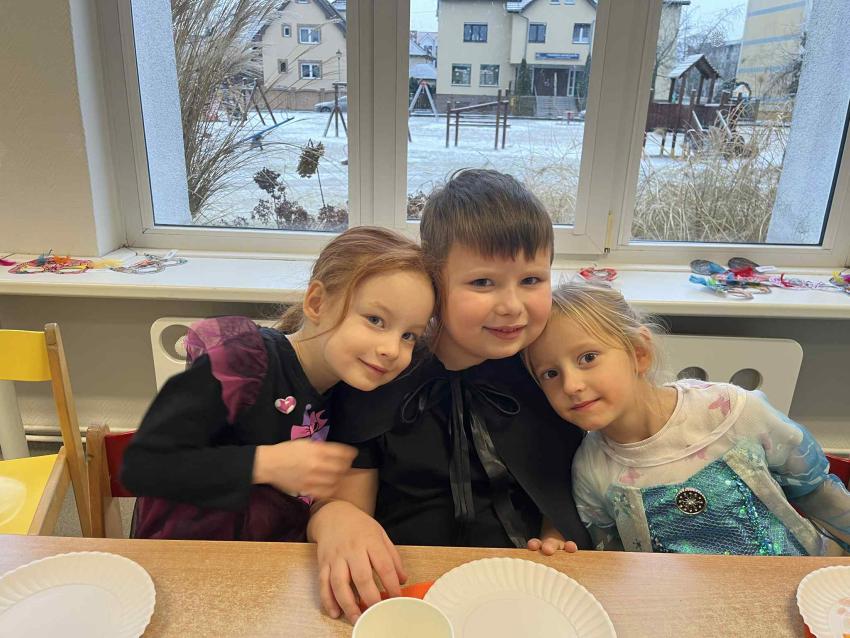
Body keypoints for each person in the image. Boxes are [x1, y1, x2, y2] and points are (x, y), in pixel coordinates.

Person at [308, 169, 592, 623]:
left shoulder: (548, 371)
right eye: (483, 283)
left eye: (531, 280)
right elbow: (347, 505)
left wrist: (556, 533)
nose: (512, 306)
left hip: (522, 591)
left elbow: (571, 478)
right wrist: (336, 518)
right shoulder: (381, 375)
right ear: (435, 284)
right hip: (407, 590)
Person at [121, 226, 435, 542]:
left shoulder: (348, 393)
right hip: (185, 554)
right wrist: (265, 463)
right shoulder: (243, 362)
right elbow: (145, 465)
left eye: (409, 335)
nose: (392, 349)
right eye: (375, 320)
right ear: (317, 303)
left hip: (272, 561)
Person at [525, 280, 850, 556]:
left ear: (639, 353)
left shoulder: (736, 411)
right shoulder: (590, 468)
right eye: (550, 373)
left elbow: (819, 492)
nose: (571, 385)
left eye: (587, 358)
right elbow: (611, 561)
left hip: (800, 586)